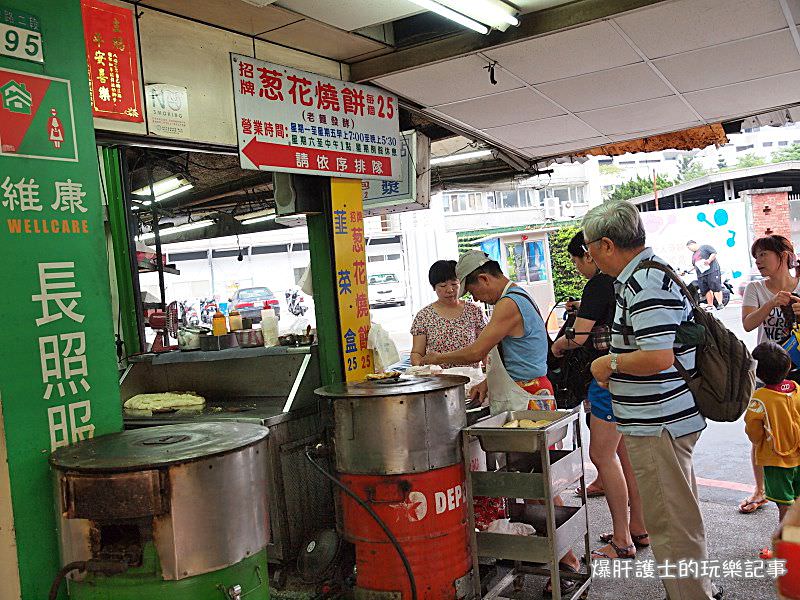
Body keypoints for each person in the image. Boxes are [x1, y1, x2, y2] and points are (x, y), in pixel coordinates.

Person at [421, 250, 580, 596]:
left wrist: (433, 360)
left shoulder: (509, 303)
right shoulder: (514, 297)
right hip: (522, 396)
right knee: (534, 484)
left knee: (539, 486)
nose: (475, 298)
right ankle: (545, 554)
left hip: (528, 401)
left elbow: (477, 351)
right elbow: (508, 355)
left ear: (485, 279)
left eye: (474, 291)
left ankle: (566, 560)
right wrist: (485, 384)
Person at [587, 201, 720, 600]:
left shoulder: (643, 281)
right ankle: (697, 591)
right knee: (678, 516)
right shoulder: (648, 273)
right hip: (662, 418)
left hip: (659, 421)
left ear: (607, 245)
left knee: (671, 524)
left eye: (591, 248)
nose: (591, 257)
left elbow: (658, 356)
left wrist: (608, 363)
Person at [551, 231, 649, 559]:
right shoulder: (620, 279)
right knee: (626, 456)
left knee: (602, 456)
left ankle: (622, 539)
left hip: (607, 378)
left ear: (589, 253)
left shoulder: (598, 283)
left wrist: (558, 344)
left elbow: (578, 337)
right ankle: (638, 527)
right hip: (628, 378)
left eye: (577, 259)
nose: (578, 267)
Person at [740, 235, 800, 515]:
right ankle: (760, 489)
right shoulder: (755, 289)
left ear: (784, 255)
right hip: (769, 370)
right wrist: (771, 304)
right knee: (763, 432)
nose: (759, 261)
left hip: (798, 370)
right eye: (757, 256)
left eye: (764, 254)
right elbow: (749, 324)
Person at [745, 342, 800, 545]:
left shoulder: (760, 398)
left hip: (776, 459)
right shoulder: (796, 389)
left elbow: (753, 430)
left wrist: (759, 441)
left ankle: (788, 544)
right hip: (798, 455)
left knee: (785, 505)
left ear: (758, 373)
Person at [410, 260, 486, 369]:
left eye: (454, 284)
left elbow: (485, 348)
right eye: (443, 285)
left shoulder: (474, 311)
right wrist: (421, 369)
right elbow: (417, 353)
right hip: (438, 379)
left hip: (471, 378)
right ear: (434, 287)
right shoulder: (424, 316)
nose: (450, 290)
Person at [687, 240, 724, 309]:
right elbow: (694, 266)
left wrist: (709, 260)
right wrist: (686, 271)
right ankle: (710, 305)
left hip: (712, 271)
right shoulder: (693, 255)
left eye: (690, 247)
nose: (690, 249)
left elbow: (713, 253)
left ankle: (720, 303)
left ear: (694, 244)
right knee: (705, 290)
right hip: (701, 275)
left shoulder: (705, 247)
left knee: (715, 286)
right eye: (688, 248)